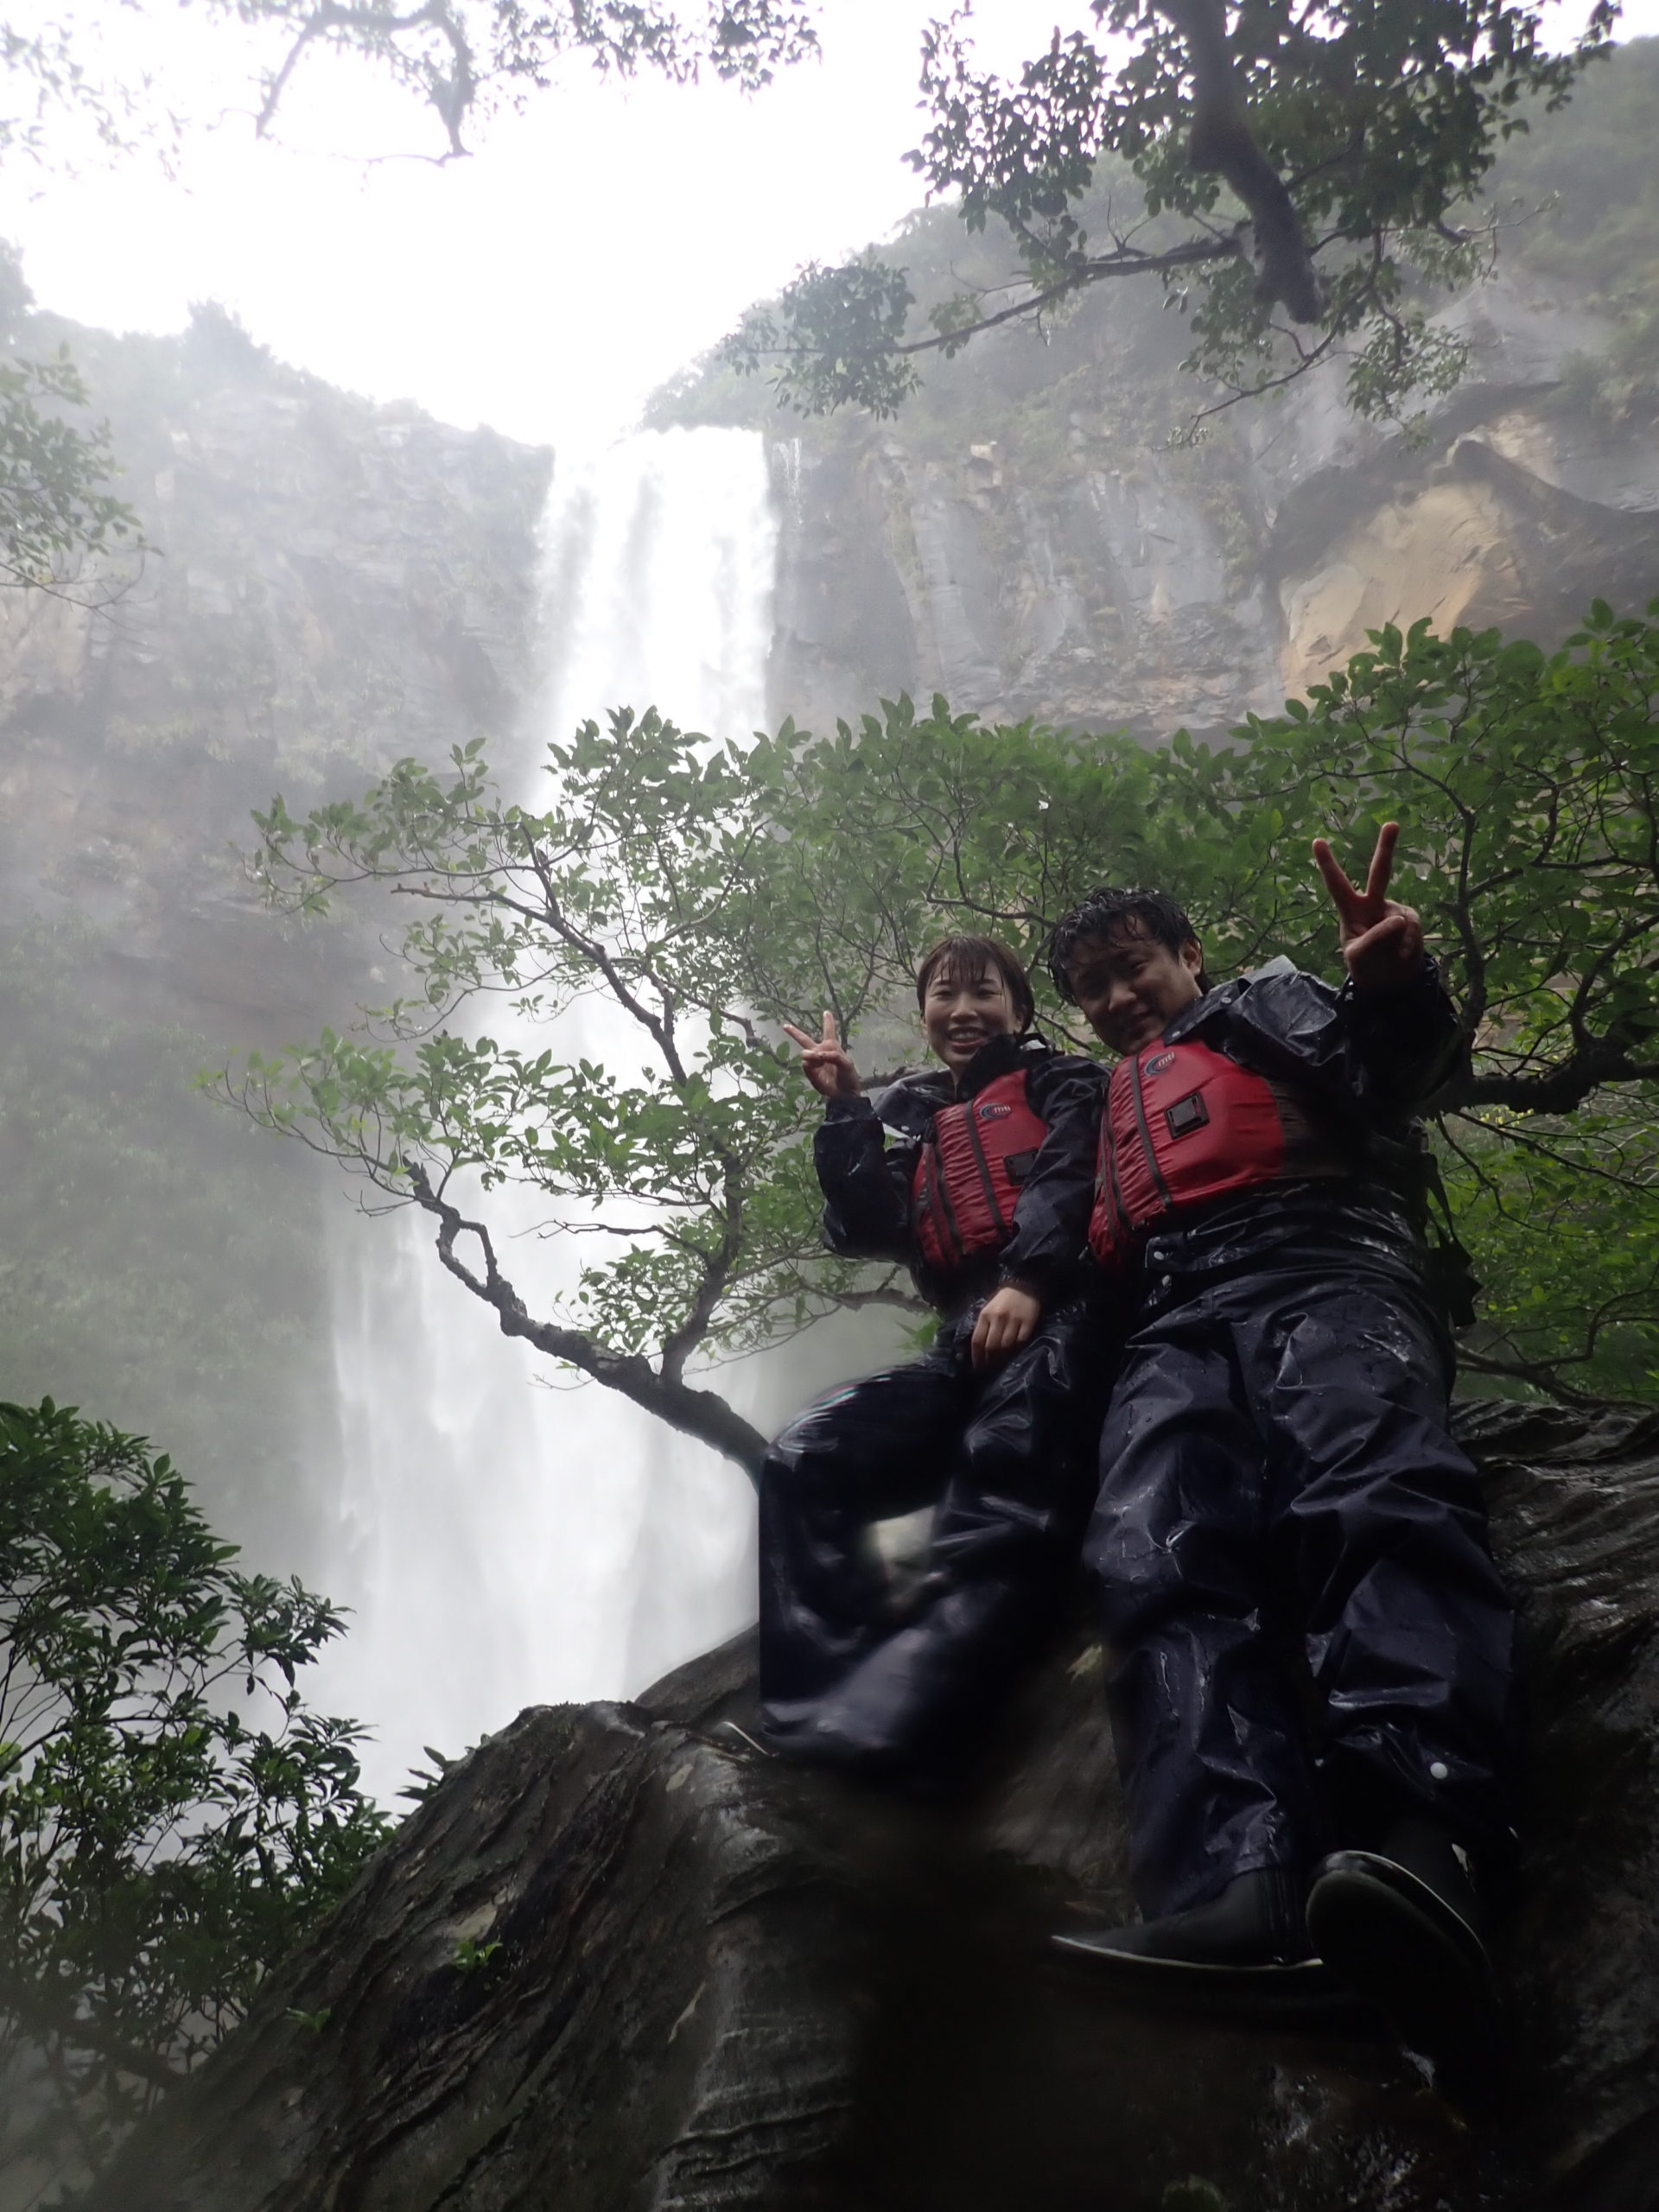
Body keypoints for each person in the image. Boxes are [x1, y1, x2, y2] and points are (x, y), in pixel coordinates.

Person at [1047, 827, 1515, 2067]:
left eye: (1132, 964)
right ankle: (1234, 1885)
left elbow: (1393, 1074)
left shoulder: (1265, 1003)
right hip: (1171, 1315)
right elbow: (1087, 1268)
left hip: (1320, 1257)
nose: (1114, 996)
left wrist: (1394, 980)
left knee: (1366, 1484)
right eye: (1089, 986)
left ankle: (1425, 1840)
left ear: (1188, 953)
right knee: (1154, 1551)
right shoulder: (1103, 1109)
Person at [743, 933, 1109, 1785]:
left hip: (1073, 1309)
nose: (964, 1009)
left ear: (1019, 1010)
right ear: (924, 1018)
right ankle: (823, 1698)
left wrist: (1031, 1276)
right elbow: (863, 1225)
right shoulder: (919, 1125)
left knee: (1005, 1468)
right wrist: (844, 1110)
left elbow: (1075, 1172)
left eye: (984, 992)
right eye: (945, 995)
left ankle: (914, 1717)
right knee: (803, 1460)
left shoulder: (1064, 1083)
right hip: (969, 1336)